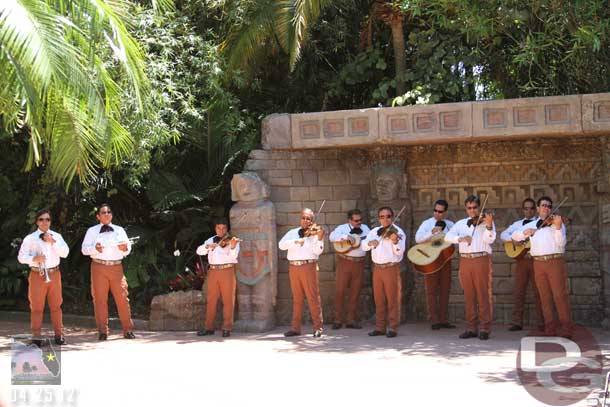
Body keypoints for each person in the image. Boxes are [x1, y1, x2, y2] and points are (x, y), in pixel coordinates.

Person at [511, 196, 572, 338]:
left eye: (549, 206)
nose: (546, 208)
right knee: (544, 297)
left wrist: (557, 228)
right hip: (537, 263)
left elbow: (561, 243)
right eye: (543, 205)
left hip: (554, 262)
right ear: (538, 208)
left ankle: (566, 329)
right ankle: (549, 329)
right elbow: (515, 236)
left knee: (559, 296)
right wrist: (526, 232)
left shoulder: (557, 224)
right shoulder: (532, 224)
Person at [81, 204, 135, 341]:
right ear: (98, 216)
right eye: (103, 212)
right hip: (98, 267)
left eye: (109, 212)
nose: (106, 214)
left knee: (123, 298)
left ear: (112, 214)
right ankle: (102, 331)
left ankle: (128, 329)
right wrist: (95, 249)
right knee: (99, 300)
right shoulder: (92, 231)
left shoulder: (120, 230)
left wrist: (125, 248)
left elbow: (128, 248)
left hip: (117, 267)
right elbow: (84, 249)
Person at [445, 196, 496, 340]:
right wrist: (459, 239)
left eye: (474, 207)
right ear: (466, 209)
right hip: (465, 260)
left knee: (483, 294)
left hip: (481, 259)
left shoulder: (486, 222)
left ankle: (485, 328)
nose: (472, 211)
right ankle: (471, 328)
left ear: (479, 208)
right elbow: (447, 237)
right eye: (469, 208)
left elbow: (490, 239)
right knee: (469, 295)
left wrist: (489, 225)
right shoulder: (461, 224)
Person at [17, 209, 69, 345]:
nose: (44, 222)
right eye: (41, 219)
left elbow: (65, 253)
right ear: (37, 222)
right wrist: (34, 258)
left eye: (47, 219)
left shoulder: (56, 236)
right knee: (36, 307)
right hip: (36, 274)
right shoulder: (30, 238)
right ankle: (36, 336)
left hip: (54, 274)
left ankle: (59, 335)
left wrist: (53, 242)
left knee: (56, 306)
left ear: (50, 221)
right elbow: (21, 257)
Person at [278, 208, 325, 338]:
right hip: (294, 267)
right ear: (300, 219)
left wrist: (320, 239)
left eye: (308, 219)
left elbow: (318, 251)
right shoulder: (292, 233)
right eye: (303, 218)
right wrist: (295, 241)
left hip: (309, 266)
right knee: (297, 298)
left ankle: (318, 327)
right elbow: (281, 245)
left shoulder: (315, 234)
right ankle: (295, 328)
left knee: (313, 297)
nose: (305, 221)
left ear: (312, 221)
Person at [361, 207, 406, 338]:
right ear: (378, 218)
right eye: (382, 216)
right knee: (379, 299)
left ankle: (393, 327)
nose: (385, 219)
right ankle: (380, 327)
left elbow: (400, 252)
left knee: (393, 299)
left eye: (388, 216)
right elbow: (363, 246)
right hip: (377, 269)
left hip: (391, 268)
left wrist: (394, 241)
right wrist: (370, 243)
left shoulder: (398, 232)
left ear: (392, 217)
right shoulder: (374, 231)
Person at [500, 198, 542, 331]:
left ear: (535, 210)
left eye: (531, 208)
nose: (529, 211)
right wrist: (513, 240)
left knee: (539, 292)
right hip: (522, 260)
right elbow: (503, 234)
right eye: (526, 208)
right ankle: (517, 322)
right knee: (519, 291)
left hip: (536, 260)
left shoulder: (541, 223)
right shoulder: (517, 224)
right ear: (522, 210)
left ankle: (542, 322)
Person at [414, 199, 455, 330]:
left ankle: (444, 319)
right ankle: (434, 319)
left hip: (445, 259)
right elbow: (418, 239)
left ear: (445, 212)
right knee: (431, 290)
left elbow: (455, 241)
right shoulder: (427, 224)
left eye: (440, 211)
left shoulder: (450, 224)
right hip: (431, 259)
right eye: (435, 211)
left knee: (445, 289)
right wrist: (431, 232)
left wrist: (445, 234)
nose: (437, 213)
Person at [196, 218, 240, 337]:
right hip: (213, 271)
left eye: (224, 228)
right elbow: (199, 251)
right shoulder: (210, 240)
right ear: (215, 228)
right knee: (211, 300)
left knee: (228, 300)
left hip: (227, 270)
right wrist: (207, 246)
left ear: (227, 229)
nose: (221, 230)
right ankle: (208, 327)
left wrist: (232, 247)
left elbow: (233, 257)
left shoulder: (232, 240)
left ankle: (227, 327)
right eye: (219, 228)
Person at [329, 209, 370, 329]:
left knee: (355, 292)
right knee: (340, 291)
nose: (359, 222)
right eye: (356, 220)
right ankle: (337, 320)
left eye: (360, 220)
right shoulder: (342, 228)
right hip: (345, 261)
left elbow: (369, 241)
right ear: (350, 220)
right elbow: (332, 237)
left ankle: (351, 320)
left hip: (359, 263)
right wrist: (346, 237)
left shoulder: (366, 229)